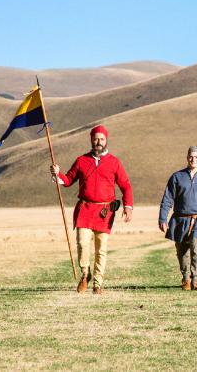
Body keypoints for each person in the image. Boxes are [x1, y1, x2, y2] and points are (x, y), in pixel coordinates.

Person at [50, 125, 133, 294]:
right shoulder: (81, 160)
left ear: (106, 140)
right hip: (85, 209)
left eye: (101, 139)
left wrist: (128, 206)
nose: (98, 142)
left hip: (105, 211)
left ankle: (97, 283)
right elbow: (68, 180)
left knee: (101, 249)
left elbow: (126, 185)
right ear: (91, 140)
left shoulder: (114, 162)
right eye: (96, 139)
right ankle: (85, 274)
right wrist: (57, 174)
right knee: (82, 243)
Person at [158, 146, 197, 291]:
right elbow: (167, 199)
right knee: (182, 251)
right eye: (191, 156)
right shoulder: (176, 177)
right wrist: (162, 218)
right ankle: (185, 278)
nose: (193, 159)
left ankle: (195, 280)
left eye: (196, 157)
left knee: (196, 247)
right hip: (180, 219)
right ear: (187, 158)